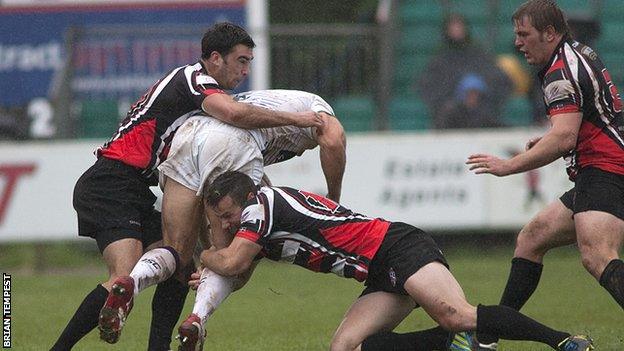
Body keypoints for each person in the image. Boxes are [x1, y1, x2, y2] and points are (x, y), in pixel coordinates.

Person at [51, 23, 324, 351]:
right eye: (240, 60)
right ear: (214, 58)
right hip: (110, 182)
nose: (245, 70)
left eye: (249, 62)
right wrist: (297, 119)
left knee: (179, 267)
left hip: (132, 186)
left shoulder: (197, 86)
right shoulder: (194, 80)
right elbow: (235, 113)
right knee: (123, 276)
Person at [185, 171, 593, 351]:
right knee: (346, 346)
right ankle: (445, 343)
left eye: (226, 215)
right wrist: (212, 272)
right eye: (219, 218)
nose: (224, 223)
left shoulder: (261, 205)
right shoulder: (259, 223)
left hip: (397, 247)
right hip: (379, 270)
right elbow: (239, 275)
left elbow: (234, 263)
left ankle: (563, 341)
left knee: (456, 313)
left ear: (245, 199)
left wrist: (201, 253)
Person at [97, 89, 346, 348]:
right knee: (239, 260)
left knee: (177, 252)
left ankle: (132, 281)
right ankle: (197, 319)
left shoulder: (259, 98)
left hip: (190, 135)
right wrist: (333, 199)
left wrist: (210, 251)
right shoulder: (317, 108)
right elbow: (334, 140)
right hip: (235, 143)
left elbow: (211, 212)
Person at [466, 0, 624, 349]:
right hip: (600, 164)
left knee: (597, 254)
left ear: (550, 33)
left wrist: (509, 165)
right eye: (516, 35)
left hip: (608, 167)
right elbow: (593, 116)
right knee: (532, 238)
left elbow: (565, 136)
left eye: (525, 35)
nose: (518, 43)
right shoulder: (577, 51)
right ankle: (489, 335)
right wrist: (557, 136)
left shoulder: (559, 74)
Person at [418, 13, 512, 126]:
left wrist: (476, 91)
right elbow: (430, 87)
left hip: (483, 108)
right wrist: (458, 96)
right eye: (453, 27)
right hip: (452, 112)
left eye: (459, 27)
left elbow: (499, 79)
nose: (456, 30)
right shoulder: (441, 59)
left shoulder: (478, 54)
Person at [434, 73, 503, 129]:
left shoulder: (482, 113)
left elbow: (494, 126)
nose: (473, 97)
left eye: (476, 94)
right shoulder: (451, 113)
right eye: (469, 94)